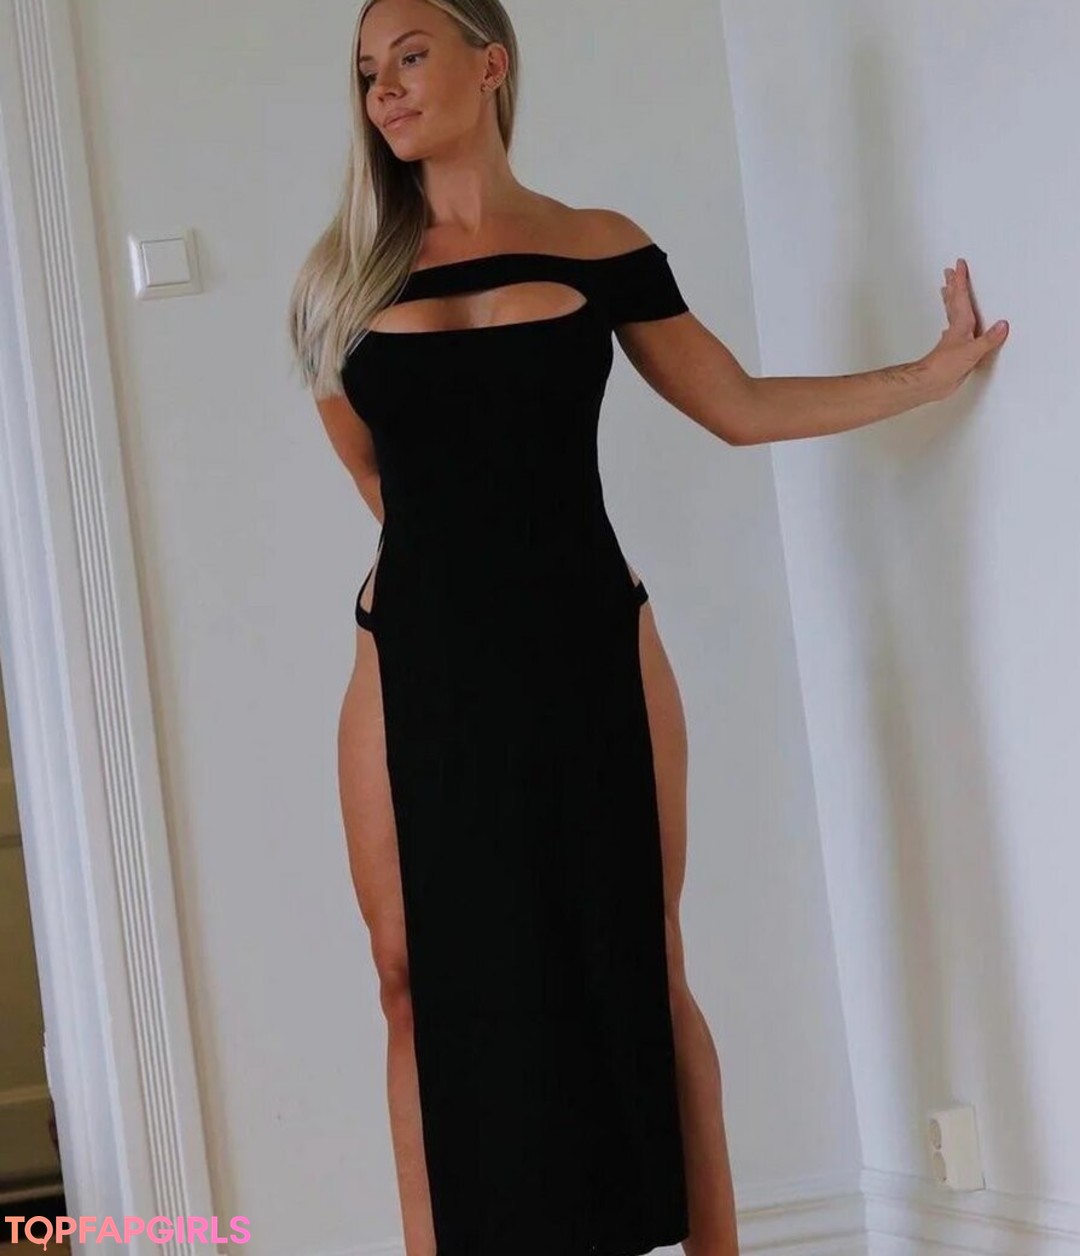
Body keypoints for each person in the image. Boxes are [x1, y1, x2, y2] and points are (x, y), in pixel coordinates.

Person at [287, 2, 1008, 1254]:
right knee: (410, 977)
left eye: (410, 56)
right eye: (366, 73)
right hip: (413, 663)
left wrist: (927, 372)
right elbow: (379, 478)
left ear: (490, 63)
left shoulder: (599, 243)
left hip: (588, 646)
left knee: (639, 956)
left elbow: (735, 405)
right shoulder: (339, 278)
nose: (384, 90)